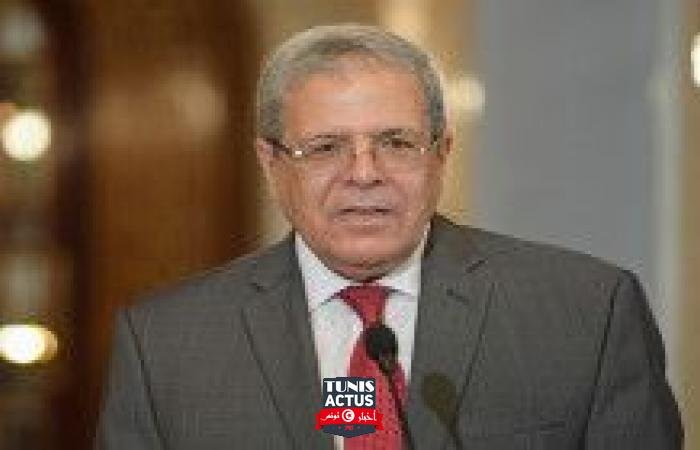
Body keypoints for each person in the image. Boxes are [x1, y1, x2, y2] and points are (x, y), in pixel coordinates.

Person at [95, 24, 683, 450]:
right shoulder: (165, 344)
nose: (363, 173)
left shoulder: (586, 315)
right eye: (325, 147)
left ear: (441, 153)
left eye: (396, 143)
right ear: (271, 164)